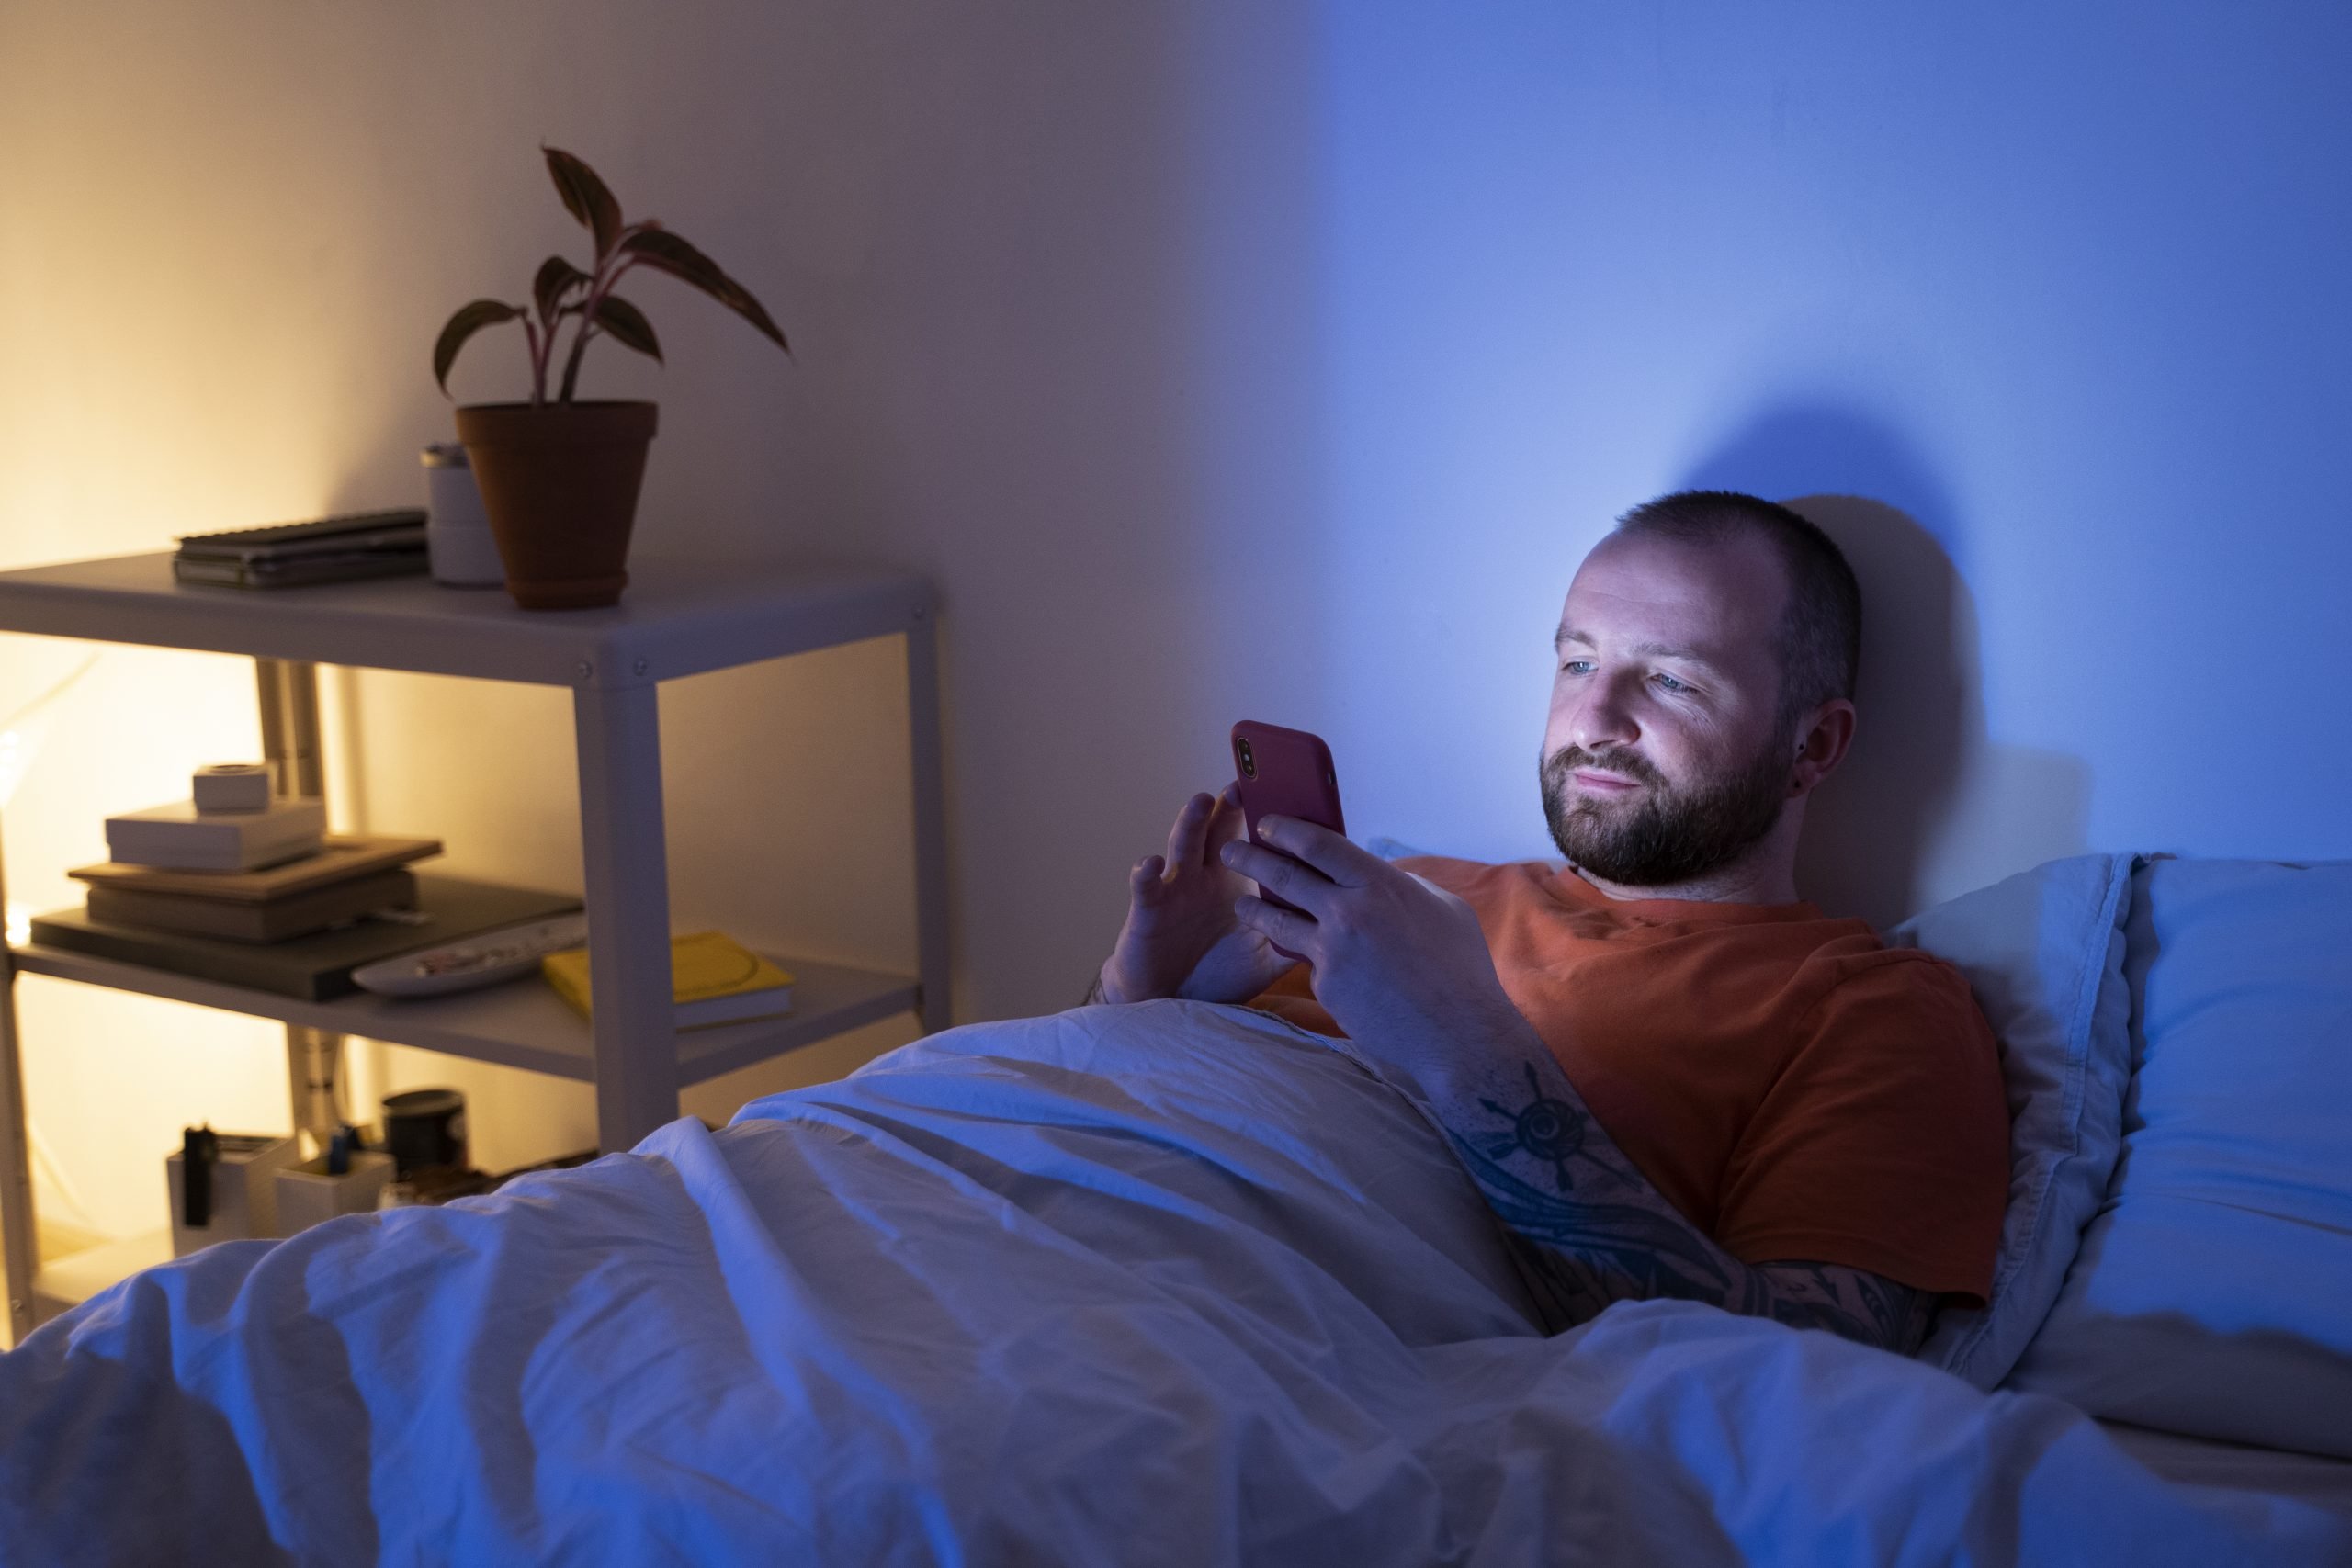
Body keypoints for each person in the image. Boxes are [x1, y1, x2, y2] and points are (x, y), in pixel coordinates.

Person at [1089, 490, 2009, 1355]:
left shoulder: (1871, 1009)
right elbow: (1074, 1128)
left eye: (1673, 682)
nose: (1592, 718)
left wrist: (1465, 1046)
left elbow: (1796, 1383)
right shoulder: (1400, 895)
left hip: (1225, 1336)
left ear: (1811, 745)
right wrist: (1132, 1000)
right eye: (1577, 662)